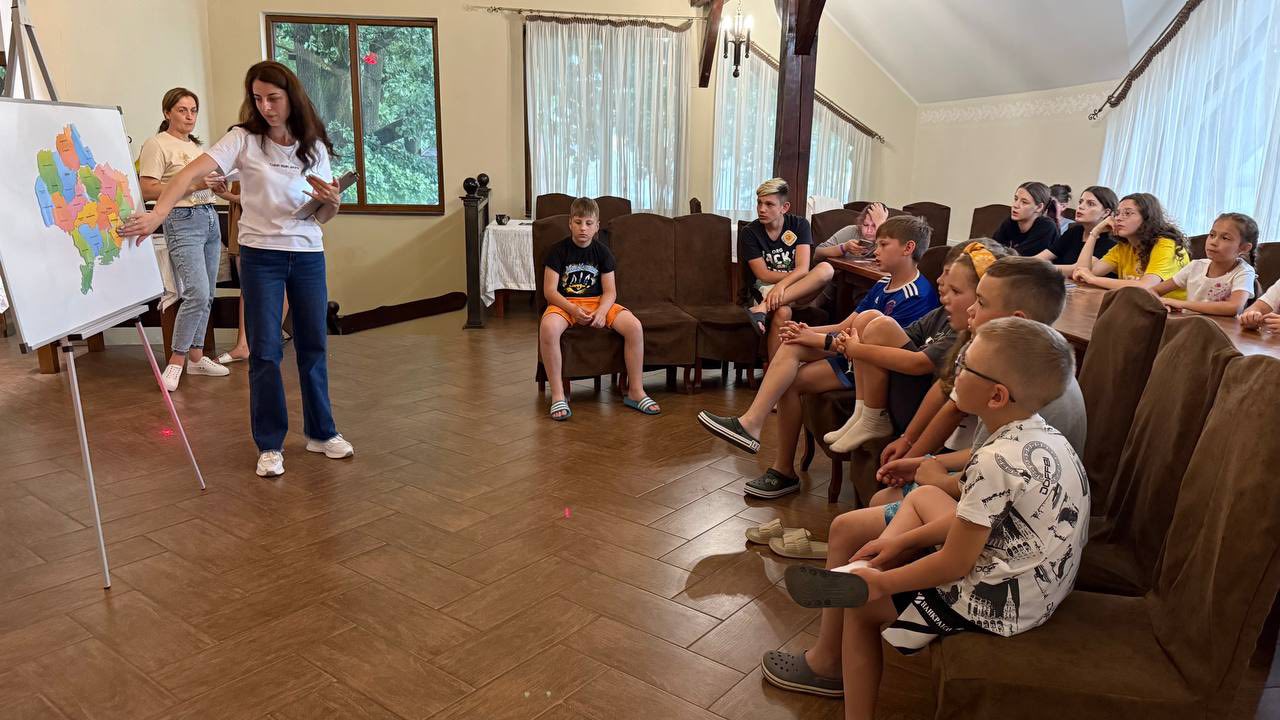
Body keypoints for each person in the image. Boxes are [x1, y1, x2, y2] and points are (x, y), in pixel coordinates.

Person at [753, 257, 1085, 703]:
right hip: (1023, 556)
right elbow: (997, 483)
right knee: (904, 507)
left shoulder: (1013, 416)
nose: (955, 373)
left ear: (997, 393)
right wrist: (924, 470)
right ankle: (866, 571)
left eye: (965, 368)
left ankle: (844, 633)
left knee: (862, 588)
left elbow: (958, 558)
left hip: (999, 593)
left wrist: (884, 583)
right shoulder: (1032, 407)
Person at [122, 61, 352, 478]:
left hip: (307, 254)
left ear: (292, 97)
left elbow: (321, 216)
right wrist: (158, 213)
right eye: (258, 98)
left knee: (313, 345)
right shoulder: (242, 139)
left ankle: (322, 433)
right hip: (261, 256)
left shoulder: (313, 146)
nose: (266, 107)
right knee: (264, 351)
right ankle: (270, 445)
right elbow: (188, 174)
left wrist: (332, 203)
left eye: (274, 98)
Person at [696, 215, 938, 499]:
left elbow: (877, 351)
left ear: (908, 248)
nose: (877, 250)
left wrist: (815, 338)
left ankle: (762, 440)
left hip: (874, 373)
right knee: (792, 350)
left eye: (884, 244)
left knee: (793, 364)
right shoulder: (884, 282)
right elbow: (845, 326)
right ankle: (764, 442)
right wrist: (806, 331)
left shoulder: (917, 295)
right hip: (852, 356)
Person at [824, 241, 1005, 455]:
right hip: (909, 398)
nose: (939, 281)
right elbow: (902, 337)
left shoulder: (967, 338)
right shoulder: (944, 316)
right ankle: (864, 413)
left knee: (879, 326)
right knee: (869, 320)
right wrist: (845, 343)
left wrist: (855, 349)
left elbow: (921, 368)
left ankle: (873, 418)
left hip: (917, 406)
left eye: (955, 289)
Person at [138, 87, 237, 391]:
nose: (189, 116)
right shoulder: (157, 144)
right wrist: (193, 185)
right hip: (182, 219)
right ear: (167, 112)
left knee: (208, 294)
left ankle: (196, 357)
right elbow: (147, 189)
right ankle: (176, 360)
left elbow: (202, 184)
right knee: (196, 292)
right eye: (182, 110)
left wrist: (216, 186)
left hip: (209, 217)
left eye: (193, 110)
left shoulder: (196, 147)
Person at [540, 196, 658, 421]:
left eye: (588, 223)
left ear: (597, 226)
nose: (583, 228)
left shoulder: (603, 252)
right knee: (548, 328)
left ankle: (636, 391)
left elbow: (610, 292)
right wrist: (572, 310)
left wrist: (602, 312)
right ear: (570, 223)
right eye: (578, 222)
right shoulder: (557, 251)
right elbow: (550, 292)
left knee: (634, 327)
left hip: (597, 302)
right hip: (565, 303)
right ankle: (558, 395)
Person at [740, 178, 822, 358]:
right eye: (759, 203)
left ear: (784, 208)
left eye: (769, 204)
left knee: (826, 269)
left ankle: (762, 309)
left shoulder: (800, 225)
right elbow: (763, 274)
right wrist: (785, 282)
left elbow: (803, 268)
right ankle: (774, 370)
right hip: (765, 289)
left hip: (796, 289)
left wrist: (782, 286)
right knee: (783, 311)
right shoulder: (750, 232)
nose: (761, 209)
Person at [1072, 193, 1191, 298]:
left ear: (1147, 218)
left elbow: (1146, 286)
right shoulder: (1123, 247)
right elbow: (1081, 274)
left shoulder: (1166, 244)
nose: (1118, 218)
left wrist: (1093, 279)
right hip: (1136, 306)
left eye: (1127, 213)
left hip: (1171, 312)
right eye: (1117, 214)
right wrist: (1095, 232)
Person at [1150, 212, 1257, 316]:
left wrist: (1182, 304)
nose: (1213, 242)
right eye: (1212, 235)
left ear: (1244, 248)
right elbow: (1153, 291)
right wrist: (1162, 304)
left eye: (1225, 238)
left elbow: (1234, 307)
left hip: (1219, 327)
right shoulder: (1195, 266)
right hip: (1189, 324)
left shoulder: (1244, 272)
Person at [1035, 185, 1118, 269]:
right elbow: (1043, 257)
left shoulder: (1110, 242)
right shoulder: (1074, 231)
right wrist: (1028, 263)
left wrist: (1038, 267)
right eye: (1080, 202)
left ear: (1106, 212)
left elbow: (1078, 270)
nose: (1081, 207)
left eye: (1090, 204)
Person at [991, 181, 1060, 256]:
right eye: (1016, 199)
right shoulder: (1011, 221)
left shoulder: (1046, 226)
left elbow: (1020, 258)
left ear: (1039, 207)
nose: (1015, 205)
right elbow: (991, 247)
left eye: (1024, 202)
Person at [814, 202, 888, 263]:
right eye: (865, 225)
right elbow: (817, 253)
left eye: (874, 226)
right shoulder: (852, 230)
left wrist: (881, 226)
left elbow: (891, 260)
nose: (869, 230)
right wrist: (844, 247)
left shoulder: (887, 236)